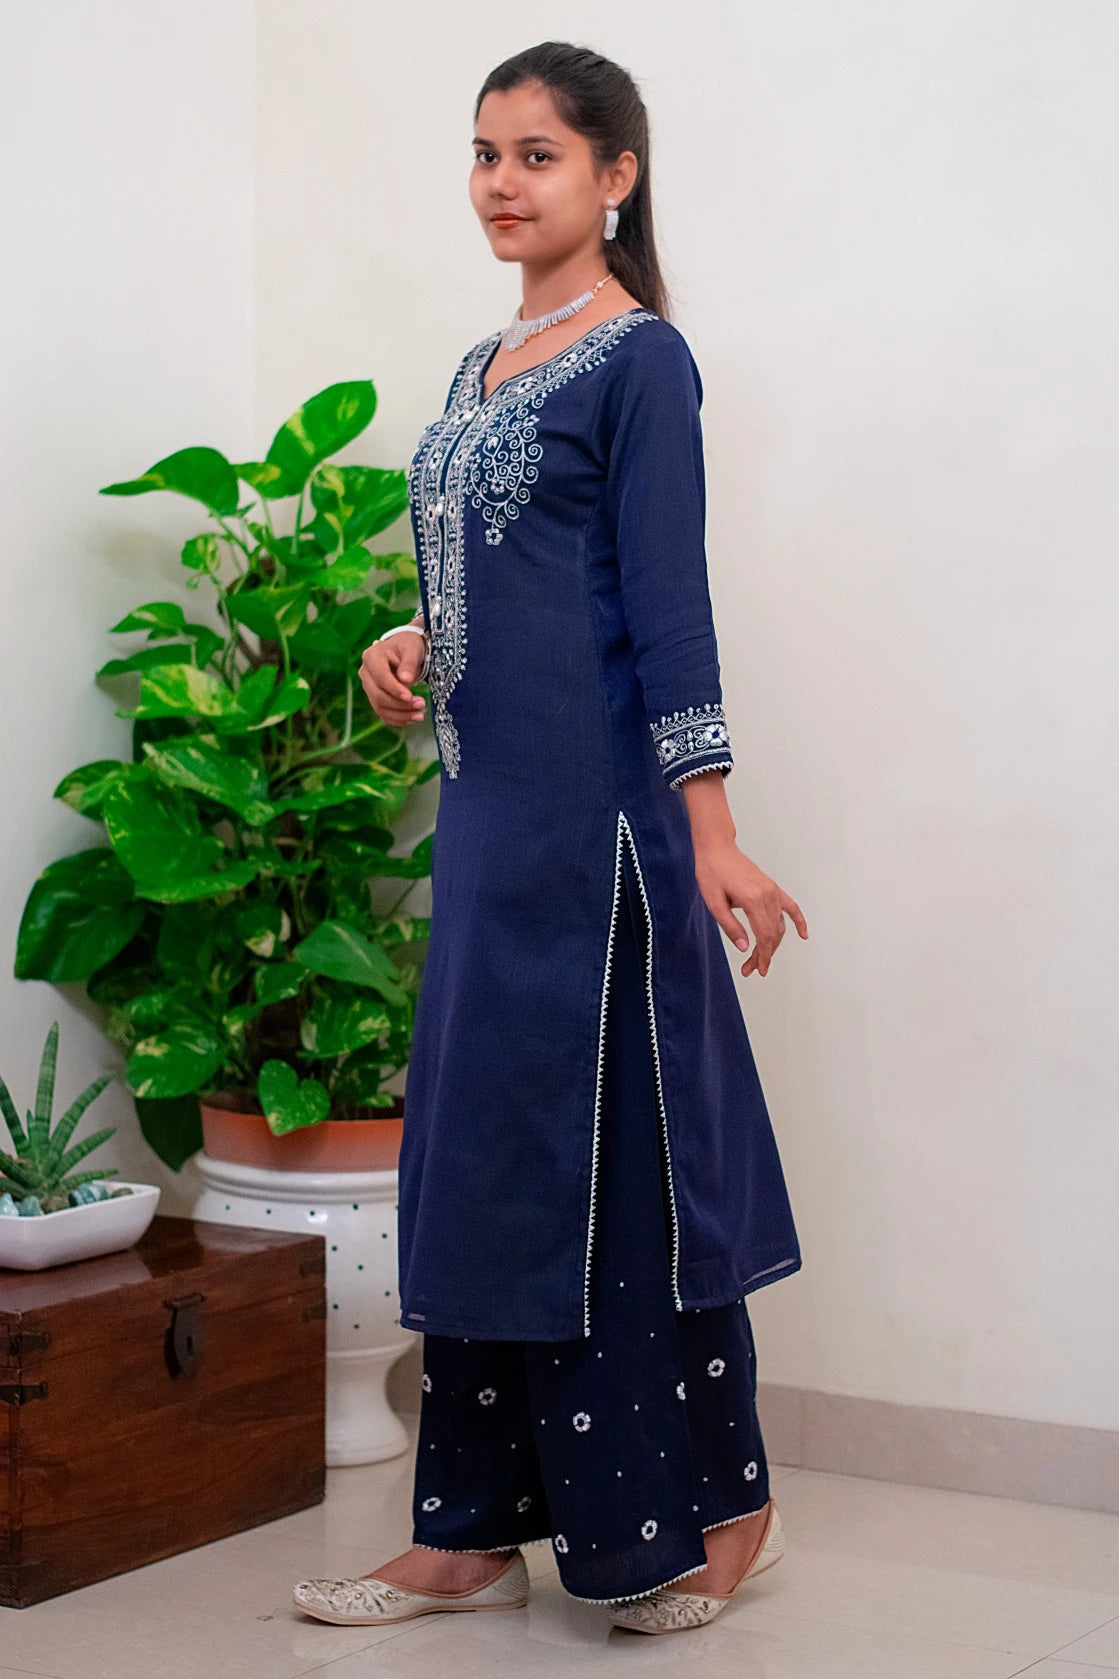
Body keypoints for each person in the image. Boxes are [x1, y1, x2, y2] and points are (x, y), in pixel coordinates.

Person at [293, 39, 808, 1637]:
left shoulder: (641, 361)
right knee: (488, 1171)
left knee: (620, 1176)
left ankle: (712, 1519)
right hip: (489, 833)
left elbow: (664, 610)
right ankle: (461, 1534)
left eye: (537, 156)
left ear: (615, 177)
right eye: (485, 153)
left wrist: (711, 829)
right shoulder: (478, 370)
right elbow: (499, 600)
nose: (501, 184)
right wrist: (410, 654)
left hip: (600, 842)